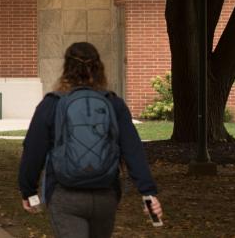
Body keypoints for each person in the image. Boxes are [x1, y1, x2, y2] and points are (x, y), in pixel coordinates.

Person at [18, 42, 163, 238]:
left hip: (65, 195)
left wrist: (28, 190)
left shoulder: (52, 104)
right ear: (99, 68)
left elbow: (33, 150)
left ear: (66, 68)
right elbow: (133, 150)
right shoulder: (113, 103)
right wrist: (148, 192)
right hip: (106, 195)